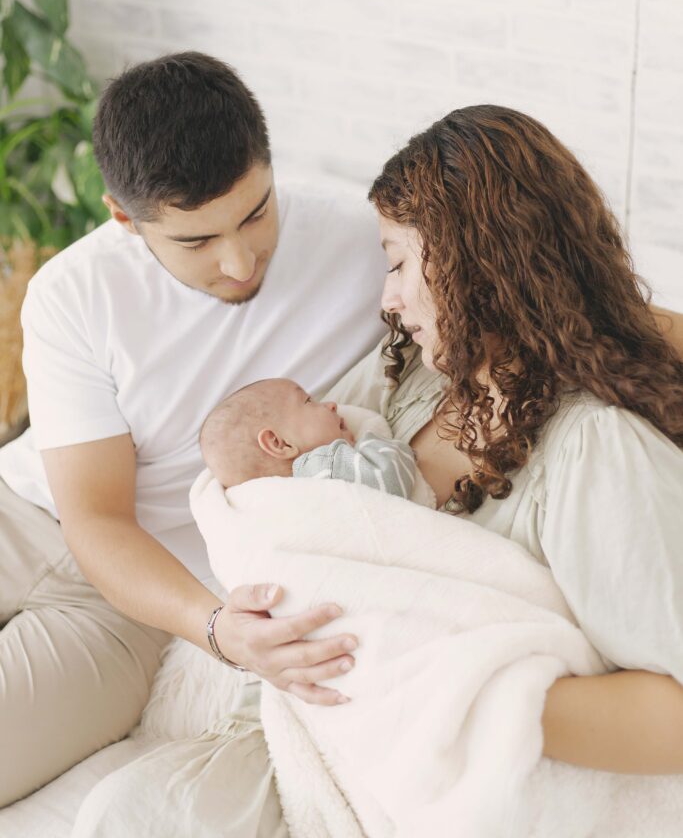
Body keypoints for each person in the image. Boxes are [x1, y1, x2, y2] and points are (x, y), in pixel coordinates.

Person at [70, 103, 683, 838]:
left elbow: (673, 713)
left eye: (396, 262)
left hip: (458, 751)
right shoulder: (414, 382)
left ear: (481, 262)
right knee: (124, 814)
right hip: (326, 729)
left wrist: (441, 693)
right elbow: (277, 499)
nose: (386, 297)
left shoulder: (595, 449)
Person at [0, 51, 387, 811]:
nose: (240, 262)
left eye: (255, 213)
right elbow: (96, 517)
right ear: (122, 215)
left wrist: (209, 626)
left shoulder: (364, 243)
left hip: (129, 606)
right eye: (195, 242)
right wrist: (217, 627)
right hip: (25, 518)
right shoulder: (75, 295)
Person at [199, 377, 416, 498]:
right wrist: (372, 441)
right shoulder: (325, 467)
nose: (331, 405)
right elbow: (391, 480)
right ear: (279, 443)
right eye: (309, 402)